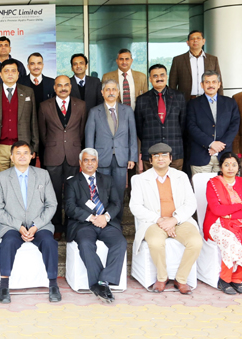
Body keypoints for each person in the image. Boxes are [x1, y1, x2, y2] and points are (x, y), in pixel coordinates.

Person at [129, 143, 202, 294]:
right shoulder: (141, 179)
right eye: (156, 156)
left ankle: (181, 279)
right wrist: (159, 219)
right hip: (154, 222)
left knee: (195, 242)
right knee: (155, 242)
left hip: (180, 220)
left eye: (164, 155)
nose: (160, 159)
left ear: (170, 158)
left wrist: (174, 220)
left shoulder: (181, 177)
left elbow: (191, 203)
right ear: (151, 160)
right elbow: (135, 206)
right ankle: (162, 278)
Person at [0, 141, 60, 304]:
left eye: (25, 153)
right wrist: (19, 226)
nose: (22, 156)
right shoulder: (1, 178)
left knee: (49, 242)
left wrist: (36, 225)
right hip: (11, 225)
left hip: (40, 224)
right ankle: (4, 285)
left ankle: (53, 284)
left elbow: (52, 204)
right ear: (11, 157)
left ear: (32, 156)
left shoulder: (42, 175)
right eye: (18, 153)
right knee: (7, 242)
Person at [65, 148, 124, 302]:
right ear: (80, 163)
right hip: (83, 224)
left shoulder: (108, 180)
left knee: (120, 242)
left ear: (97, 162)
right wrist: (91, 217)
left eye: (93, 160)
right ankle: (101, 284)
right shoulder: (72, 182)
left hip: (106, 223)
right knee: (85, 244)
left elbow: (116, 203)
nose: (89, 163)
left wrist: (106, 216)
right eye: (86, 160)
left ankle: (102, 281)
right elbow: (70, 208)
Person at [203, 153, 242, 295]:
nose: (230, 168)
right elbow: (216, 209)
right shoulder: (213, 184)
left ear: (238, 167)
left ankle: (237, 279)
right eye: (226, 164)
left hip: (241, 223)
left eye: (234, 164)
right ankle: (224, 279)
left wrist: (230, 214)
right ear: (221, 167)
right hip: (216, 223)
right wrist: (240, 206)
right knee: (231, 242)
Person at [39, 75, 86, 240]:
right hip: (53, 155)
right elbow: (42, 133)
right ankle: (57, 226)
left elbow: (81, 132)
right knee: (54, 194)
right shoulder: (45, 106)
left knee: (72, 193)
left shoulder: (81, 105)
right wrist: (54, 145)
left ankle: (71, 225)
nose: (63, 88)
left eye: (66, 85)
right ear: (54, 87)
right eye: (60, 85)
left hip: (73, 155)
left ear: (71, 87)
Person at [85, 79, 137, 221]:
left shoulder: (127, 111)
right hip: (101, 159)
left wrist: (132, 157)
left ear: (118, 92)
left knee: (119, 192)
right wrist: (90, 159)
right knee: (101, 191)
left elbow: (133, 135)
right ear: (102, 93)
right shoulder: (95, 112)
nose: (111, 92)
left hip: (121, 158)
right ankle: (102, 219)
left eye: (114, 89)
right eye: (107, 89)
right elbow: (89, 137)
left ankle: (116, 221)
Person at [0, 59, 38, 176]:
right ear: (0, 75)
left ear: (18, 74)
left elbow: (33, 121)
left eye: (13, 71)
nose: (10, 73)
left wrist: (34, 147)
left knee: (20, 183)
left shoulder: (28, 92)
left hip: (21, 147)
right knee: (0, 183)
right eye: (6, 71)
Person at [186, 70, 240, 176]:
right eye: (207, 82)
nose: (211, 85)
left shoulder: (230, 103)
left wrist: (220, 146)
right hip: (201, 156)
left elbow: (234, 125)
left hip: (224, 156)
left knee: (223, 190)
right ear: (202, 85)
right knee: (201, 190)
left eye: (214, 82)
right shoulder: (193, 104)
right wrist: (211, 144)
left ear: (219, 84)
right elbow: (191, 127)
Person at [135, 64, 187, 171]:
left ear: (166, 77)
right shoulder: (142, 100)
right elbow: (139, 127)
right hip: (151, 152)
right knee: (151, 185)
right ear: (150, 79)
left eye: (162, 75)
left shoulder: (179, 97)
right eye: (155, 76)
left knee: (174, 185)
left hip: (174, 152)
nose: (159, 78)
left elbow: (183, 124)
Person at [169, 30, 223, 101]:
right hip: (186, 100)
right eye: (192, 39)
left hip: (208, 99)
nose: (195, 40)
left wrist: (221, 99)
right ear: (187, 43)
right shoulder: (178, 60)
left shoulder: (213, 59)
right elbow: (172, 84)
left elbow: (219, 80)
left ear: (203, 41)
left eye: (198, 38)